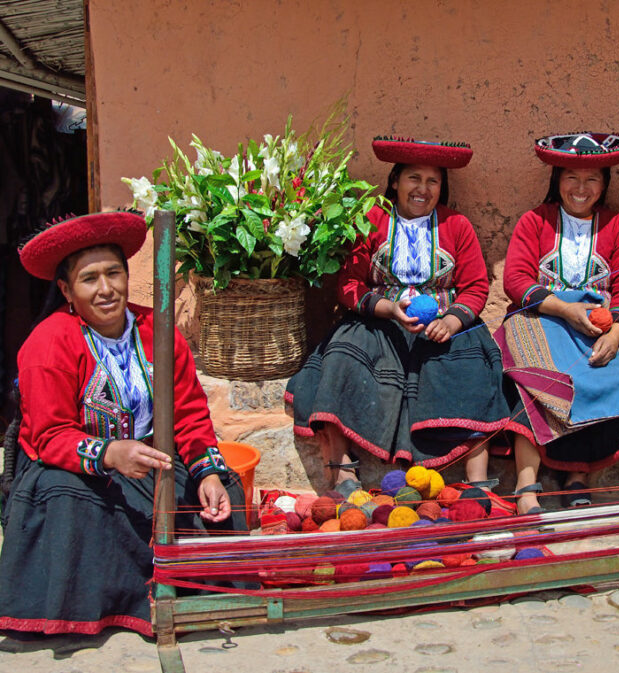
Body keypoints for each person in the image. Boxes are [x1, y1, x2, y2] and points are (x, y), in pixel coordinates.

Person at [0, 211, 246, 637]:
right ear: (66, 290)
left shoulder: (158, 330)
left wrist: (207, 472)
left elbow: (188, 414)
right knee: (73, 497)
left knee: (225, 488)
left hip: (150, 457)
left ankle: (195, 588)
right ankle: (119, 602)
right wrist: (110, 454)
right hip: (73, 468)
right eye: (89, 279)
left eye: (114, 273)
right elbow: (49, 436)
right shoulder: (48, 341)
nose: (106, 289)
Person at [285, 136, 510, 495]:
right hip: (380, 319)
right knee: (343, 355)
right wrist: (389, 309)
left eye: (433, 181)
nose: (423, 189)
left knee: (473, 364)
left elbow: (476, 286)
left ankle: (477, 480)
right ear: (394, 181)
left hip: (442, 322)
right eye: (413, 178)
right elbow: (349, 284)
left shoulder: (456, 225)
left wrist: (451, 321)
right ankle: (342, 471)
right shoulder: (372, 219)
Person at [495, 133, 619, 514]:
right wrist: (566, 311)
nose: (581, 188)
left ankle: (579, 476)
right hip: (539, 317)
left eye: (592, 179)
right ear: (556, 180)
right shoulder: (536, 220)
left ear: (604, 184)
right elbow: (516, 280)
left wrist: (617, 334)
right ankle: (526, 485)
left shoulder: (618, 225)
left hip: (599, 324)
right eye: (571, 177)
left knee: (618, 376)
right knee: (534, 380)